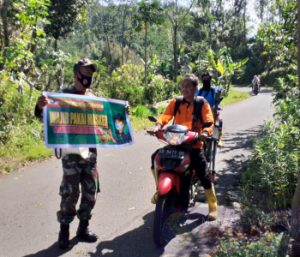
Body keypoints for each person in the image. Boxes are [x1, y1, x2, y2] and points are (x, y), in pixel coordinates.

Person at [34, 58, 100, 250]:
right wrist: (40, 106)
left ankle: (83, 229)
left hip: (90, 154)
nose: (88, 75)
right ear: (76, 73)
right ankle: (64, 232)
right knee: (70, 193)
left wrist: (122, 112)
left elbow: (107, 119)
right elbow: (42, 116)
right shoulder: (62, 96)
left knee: (90, 193)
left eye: (91, 73)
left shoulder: (93, 97)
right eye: (85, 71)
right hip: (71, 154)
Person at [152, 74, 218, 221]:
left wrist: (205, 133)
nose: (184, 88)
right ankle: (159, 191)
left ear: (195, 88)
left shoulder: (202, 103)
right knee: (156, 158)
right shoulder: (176, 102)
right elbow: (165, 116)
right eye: (183, 85)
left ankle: (212, 206)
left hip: (194, 145)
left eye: (188, 86)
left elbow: (208, 121)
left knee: (203, 172)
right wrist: (158, 126)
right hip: (176, 142)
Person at [198, 71, 223, 147]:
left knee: (219, 120)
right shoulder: (199, 91)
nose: (206, 80)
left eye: (207, 79)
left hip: (212, 112)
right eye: (204, 79)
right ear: (202, 80)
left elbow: (218, 101)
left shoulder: (214, 90)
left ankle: (219, 139)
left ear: (210, 80)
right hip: (200, 113)